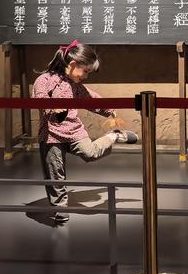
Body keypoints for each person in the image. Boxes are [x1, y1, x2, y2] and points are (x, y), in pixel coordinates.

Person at [33, 41, 138, 224]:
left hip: (73, 130)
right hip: (51, 134)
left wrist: (109, 111)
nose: (86, 76)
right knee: (54, 172)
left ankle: (114, 135)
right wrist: (52, 106)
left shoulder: (76, 85)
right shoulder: (45, 80)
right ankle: (60, 208)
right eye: (86, 71)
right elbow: (39, 97)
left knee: (90, 153)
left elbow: (91, 99)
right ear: (73, 64)